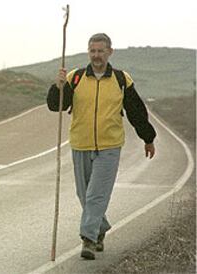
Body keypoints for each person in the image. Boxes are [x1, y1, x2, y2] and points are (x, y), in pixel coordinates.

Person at [46, 33, 156, 260]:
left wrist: (148, 138)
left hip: (109, 146)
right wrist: (57, 87)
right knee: (84, 195)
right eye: (93, 51)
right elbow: (55, 106)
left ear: (109, 52)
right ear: (89, 52)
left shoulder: (121, 80)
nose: (96, 56)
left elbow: (136, 112)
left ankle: (88, 238)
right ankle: (100, 227)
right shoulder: (75, 78)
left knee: (96, 195)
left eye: (101, 51)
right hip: (80, 144)